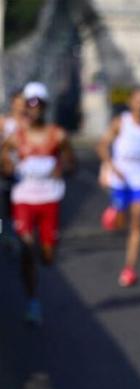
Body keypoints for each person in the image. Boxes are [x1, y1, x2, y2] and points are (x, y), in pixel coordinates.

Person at [0, 82, 75, 325]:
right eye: (28, 103)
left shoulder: (58, 135)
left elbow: (71, 164)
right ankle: (33, 301)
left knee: (48, 256)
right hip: (23, 198)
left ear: (43, 107)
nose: (32, 108)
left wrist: (61, 167)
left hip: (49, 199)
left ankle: (47, 248)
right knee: (27, 248)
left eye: (37, 103)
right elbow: (3, 161)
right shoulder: (16, 137)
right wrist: (7, 167)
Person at [96, 86, 140, 287]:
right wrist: (111, 166)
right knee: (120, 221)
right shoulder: (120, 122)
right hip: (120, 177)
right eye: (137, 100)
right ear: (131, 102)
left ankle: (129, 268)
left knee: (137, 224)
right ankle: (115, 209)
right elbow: (102, 145)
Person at [0, 91, 25, 231]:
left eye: (23, 103)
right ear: (12, 104)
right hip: (7, 171)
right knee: (4, 210)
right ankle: (3, 233)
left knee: (20, 210)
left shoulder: (30, 123)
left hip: (25, 173)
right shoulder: (4, 122)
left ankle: (19, 233)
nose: (21, 107)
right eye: (18, 103)